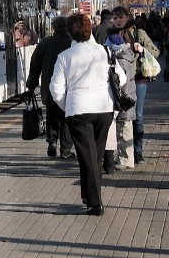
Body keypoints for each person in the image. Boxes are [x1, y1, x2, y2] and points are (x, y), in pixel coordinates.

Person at [50, 13, 126, 216]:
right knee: (95, 156)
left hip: (78, 110)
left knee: (87, 157)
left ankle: (94, 202)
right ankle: (88, 194)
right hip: (104, 108)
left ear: (70, 32)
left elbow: (56, 89)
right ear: (89, 29)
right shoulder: (105, 52)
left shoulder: (65, 57)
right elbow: (122, 77)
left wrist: (68, 105)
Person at [110, 6, 159, 165]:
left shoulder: (139, 33)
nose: (117, 20)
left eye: (120, 17)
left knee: (136, 117)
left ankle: (137, 151)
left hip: (137, 80)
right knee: (121, 119)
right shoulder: (111, 35)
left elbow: (156, 52)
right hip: (117, 82)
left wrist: (142, 49)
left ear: (127, 17)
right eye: (115, 18)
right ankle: (123, 154)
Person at [26, 15, 74, 159]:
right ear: (67, 27)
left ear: (53, 28)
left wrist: (31, 84)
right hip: (67, 88)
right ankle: (65, 150)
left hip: (49, 87)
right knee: (66, 119)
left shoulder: (45, 43)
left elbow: (35, 65)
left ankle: (52, 141)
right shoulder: (72, 43)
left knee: (52, 115)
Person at [105, 33, 137, 170]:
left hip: (124, 99)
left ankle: (125, 160)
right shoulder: (128, 56)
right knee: (126, 128)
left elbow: (120, 81)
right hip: (130, 96)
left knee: (124, 131)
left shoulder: (120, 60)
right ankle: (126, 157)